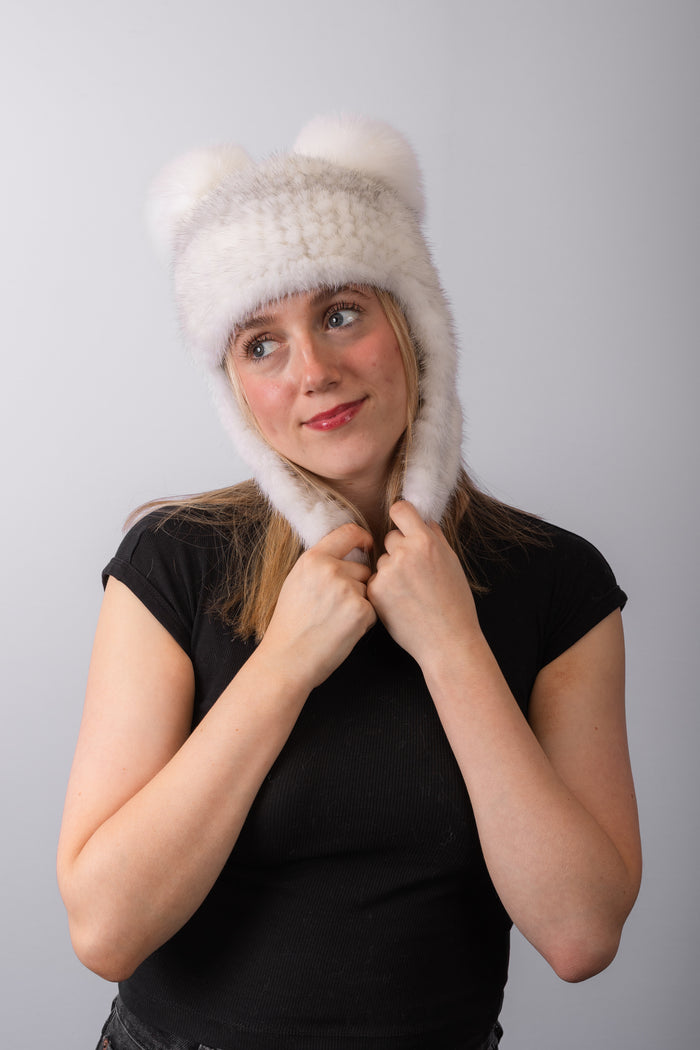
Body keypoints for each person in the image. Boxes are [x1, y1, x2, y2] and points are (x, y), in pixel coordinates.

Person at [57, 116, 641, 1050]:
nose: (315, 373)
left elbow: (580, 935)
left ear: (414, 325)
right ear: (234, 389)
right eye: (261, 344)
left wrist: (453, 648)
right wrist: (284, 665)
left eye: (340, 314)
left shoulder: (557, 580)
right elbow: (106, 931)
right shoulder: (171, 561)